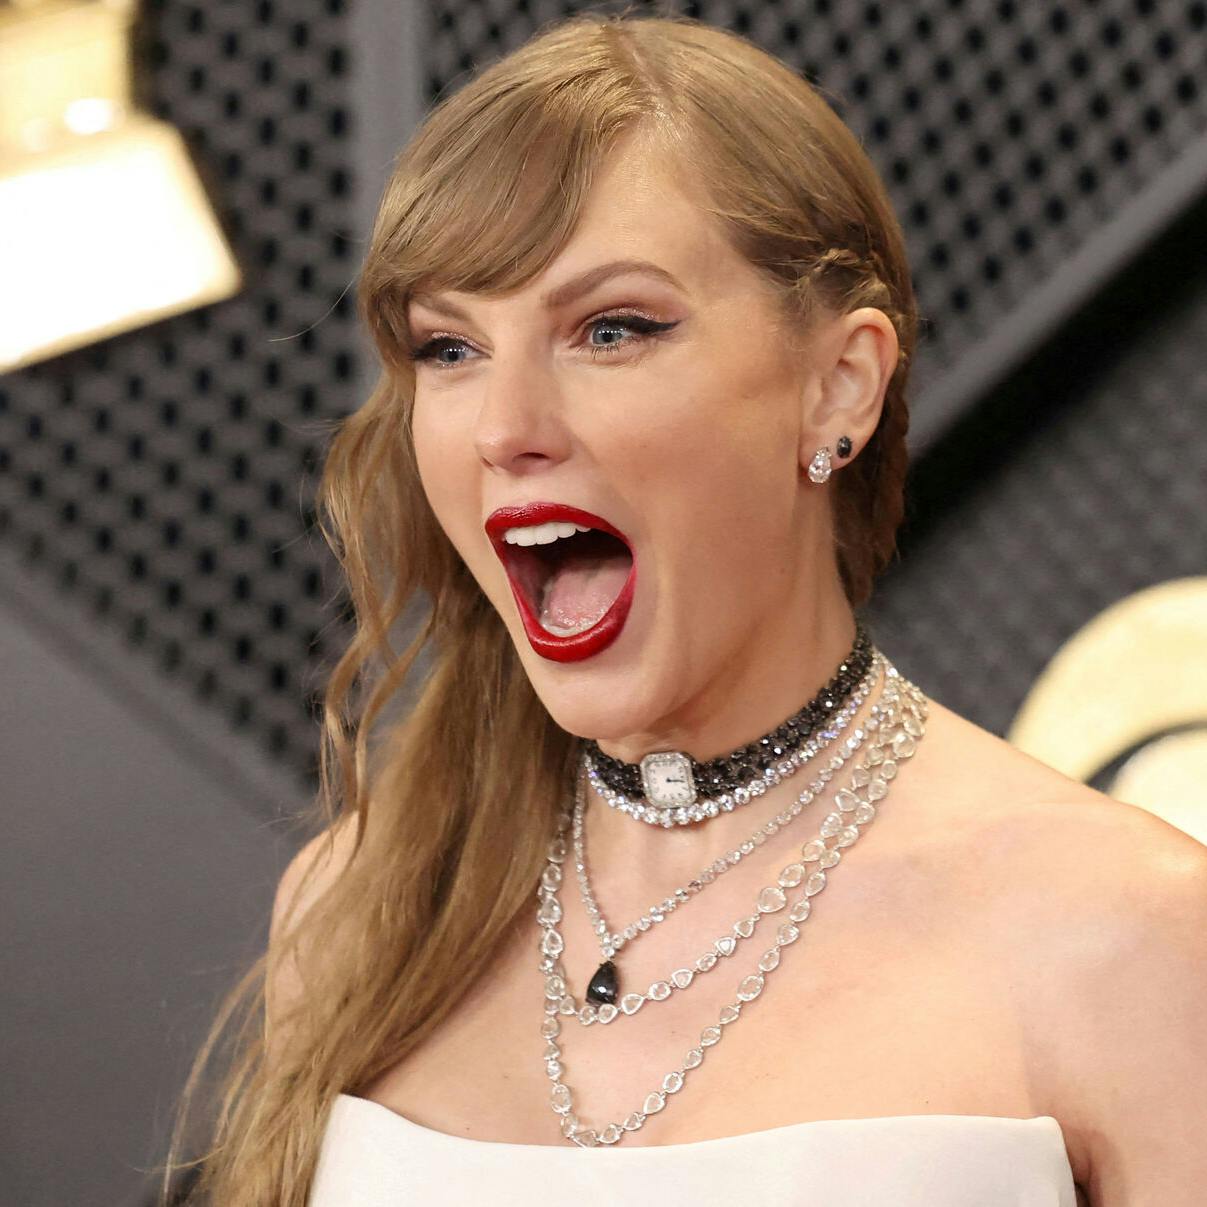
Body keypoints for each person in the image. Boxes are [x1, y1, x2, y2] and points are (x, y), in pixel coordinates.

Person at [165, 13, 1207, 1206]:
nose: (506, 427)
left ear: (839, 385)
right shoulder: (359, 901)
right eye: (448, 347)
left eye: (611, 329)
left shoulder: (1130, 939)